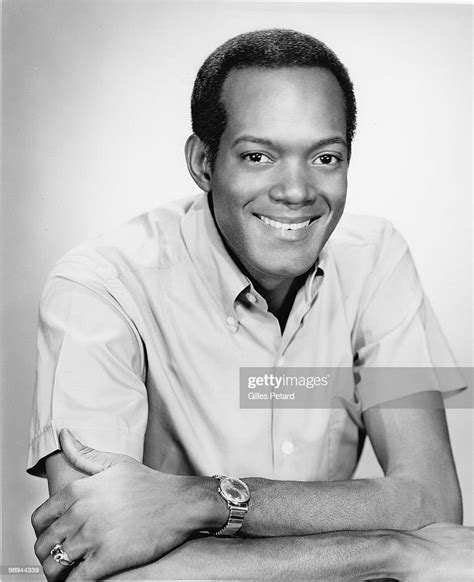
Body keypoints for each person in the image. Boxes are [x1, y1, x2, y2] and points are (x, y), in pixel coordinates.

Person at [28, 29, 472, 580]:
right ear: (204, 162)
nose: (296, 191)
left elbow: (433, 503)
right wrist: (393, 552)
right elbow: (90, 555)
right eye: (258, 155)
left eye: (325, 157)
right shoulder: (100, 287)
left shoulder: (378, 259)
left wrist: (199, 502)